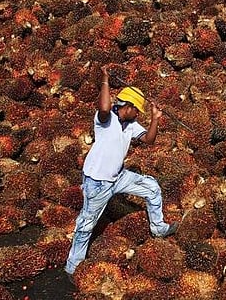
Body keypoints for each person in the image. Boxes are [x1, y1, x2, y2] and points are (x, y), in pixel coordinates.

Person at [65, 66, 178, 277]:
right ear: (128, 106)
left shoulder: (131, 124)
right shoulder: (105, 120)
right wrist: (106, 80)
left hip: (118, 176)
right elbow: (105, 107)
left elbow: (149, 140)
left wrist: (155, 118)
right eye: (137, 110)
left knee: (152, 187)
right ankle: (73, 267)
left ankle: (159, 228)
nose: (138, 114)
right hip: (97, 182)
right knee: (86, 224)